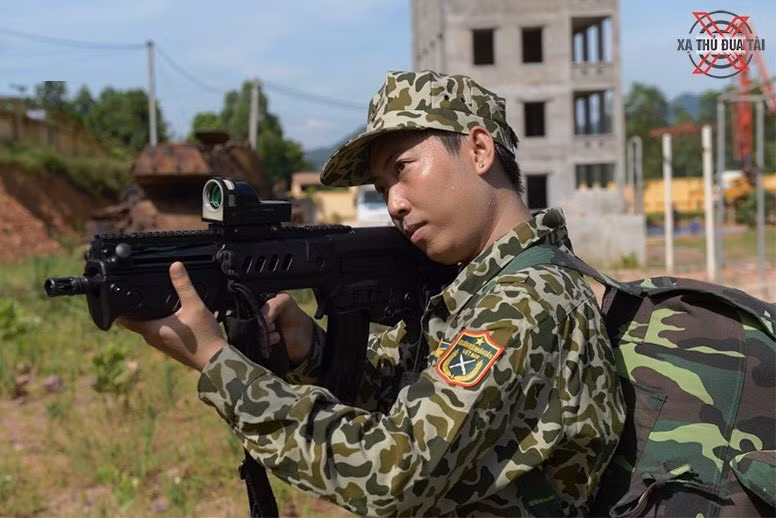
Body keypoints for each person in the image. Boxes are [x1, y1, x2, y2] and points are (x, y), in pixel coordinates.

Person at [119, 70, 626, 516]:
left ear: (478, 149)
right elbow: (410, 390)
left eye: (402, 167)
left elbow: (393, 472)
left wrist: (217, 364)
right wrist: (312, 348)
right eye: (382, 189)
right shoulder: (481, 289)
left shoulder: (525, 303)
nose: (395, 204)